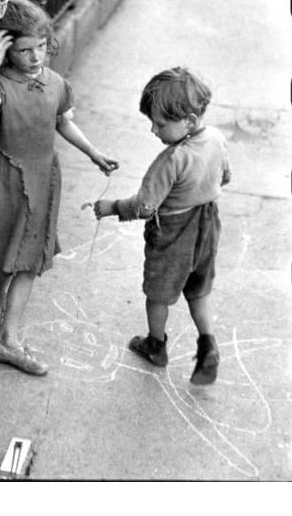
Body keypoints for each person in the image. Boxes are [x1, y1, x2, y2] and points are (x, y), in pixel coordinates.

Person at [0, 0, 118, 377]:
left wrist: (93, 153)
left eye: (41, 47)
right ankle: (0, 305)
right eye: (24, 50)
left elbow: (62, 122)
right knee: (6, 256)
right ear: (5, 50)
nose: (34, 57)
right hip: (6, 178)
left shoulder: (56, 83)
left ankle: (8, 339)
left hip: (43, 177)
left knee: (28, 260)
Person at [93, 67, 231, 385]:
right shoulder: (216, 139)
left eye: (161, 123)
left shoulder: (172, 160)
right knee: (198, 290)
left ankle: (156, 345)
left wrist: (112, 207)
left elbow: (144, 206)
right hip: (207, 224)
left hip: (173, 232)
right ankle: (208, 343)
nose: (154, 129)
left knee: (158, 293)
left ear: (190, 121)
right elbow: (225, 176)